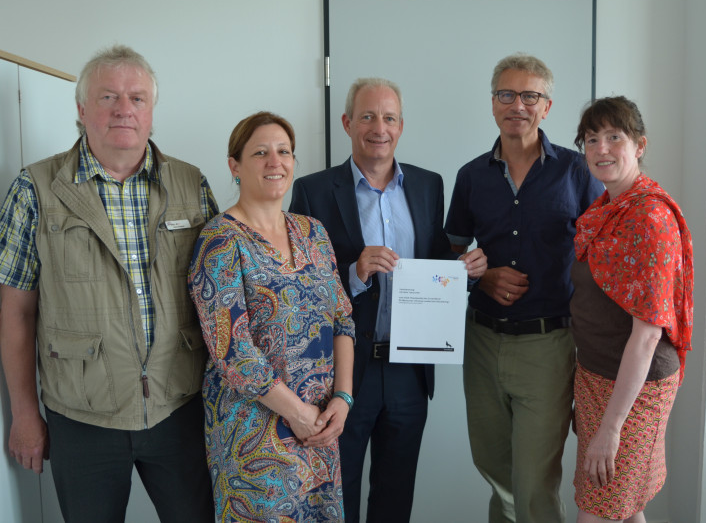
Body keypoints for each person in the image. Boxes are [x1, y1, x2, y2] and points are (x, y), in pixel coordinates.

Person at [0, 45, 217, 522]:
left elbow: (220, 296)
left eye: (137, 98)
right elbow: (15, 310)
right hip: (81, 418)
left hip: (179, 409)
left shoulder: (192, 184)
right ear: (81, 109)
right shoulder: (35, 189)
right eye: (108, 97)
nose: (124, 109)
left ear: (152, 111)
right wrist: (23, 413)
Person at [289, 77, 487, 523]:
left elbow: (436, 265)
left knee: (396, 498)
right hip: (343, 372)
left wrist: (465, 273)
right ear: (347, 123)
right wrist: (353, 274)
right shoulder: (313, 190)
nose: (379, 127)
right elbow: (299, 288)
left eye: (389, 117)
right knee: (338, 497)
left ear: (401, 126)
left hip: (409, 370)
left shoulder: (428, 185)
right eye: (368, 116)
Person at [445, 53, 604, 523]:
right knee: (496, 473)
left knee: (533, 485)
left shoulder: (578, 172)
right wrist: (482, 274)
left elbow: (601, 256)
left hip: (548, 344)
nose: (518, 104)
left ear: (547, 106)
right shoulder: (471, 176)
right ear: (493, 103)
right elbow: (449, 254)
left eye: (530, 95)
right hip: (482, 341)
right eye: (506, 94)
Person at [188, 111, 356, 522]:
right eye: (260, 152)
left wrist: (343, 398)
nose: (274, 161)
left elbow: (343, 319)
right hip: (255, 433)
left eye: (283, 151)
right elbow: (233, 352)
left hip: (321, 428)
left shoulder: (312, 231)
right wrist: (297, 414)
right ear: (235, 166)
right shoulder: (219, 241)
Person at [570, 96, 693, 523]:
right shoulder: (604, 210)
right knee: (624, 507)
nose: (601, 148)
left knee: (598, 510)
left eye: (613, 137)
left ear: (639, 145)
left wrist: (611, 427)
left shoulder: (651, 219)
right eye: (591, 139)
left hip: (634, 390)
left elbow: (647, 336)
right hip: (595, 376)